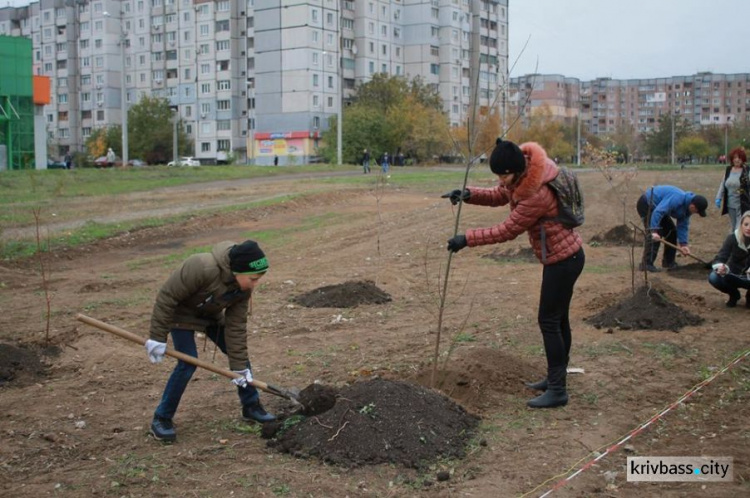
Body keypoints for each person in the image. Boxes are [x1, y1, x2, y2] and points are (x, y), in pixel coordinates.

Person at [442, 139, 585, 409]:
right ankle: (556, 377)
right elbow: (499, 195)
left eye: (504, 175)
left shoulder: (536, 194)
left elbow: (507, 230)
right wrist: (468, 194)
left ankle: (557, 389)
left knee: (549, 321)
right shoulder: (523, 175)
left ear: (517, 170)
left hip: (564, 260)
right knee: (558, 319)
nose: (502, 182)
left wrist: (467, 239)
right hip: (563, 257)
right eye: (498, 176)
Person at [144, 240, 275, 442]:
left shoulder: (243, 288)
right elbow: (167, 297)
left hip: (209, 316)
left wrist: (239, 368)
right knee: (187, 363)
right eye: (253, 279)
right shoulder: (200, 267)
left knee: (238, 354)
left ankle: (251, 406)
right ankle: (161, 418)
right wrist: (157, 337)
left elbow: (236, 327)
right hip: (181, 317)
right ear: (237, 271)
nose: (255, 284)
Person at [636, 185, 708, 272]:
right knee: (655, 235)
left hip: (658, 207)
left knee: (672, 232)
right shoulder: (677, 199)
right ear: (693, 206)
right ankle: (646, 264)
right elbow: (658, 212)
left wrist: (683, 244)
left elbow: (682, 226)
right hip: (647, 203)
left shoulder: (687, 210)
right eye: (697, 212)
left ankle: (669, 262)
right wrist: (653, 230)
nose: (696, 213)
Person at [709, 211, 750, 308]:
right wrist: (720, 267)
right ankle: (734, 295)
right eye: (746, 224)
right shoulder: (732, 238)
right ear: (741, 225)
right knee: (714, 277)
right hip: (732, 274)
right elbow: (720, 258)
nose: (748, 228)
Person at [714, 147, 750, 232]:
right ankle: (734, 242)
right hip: (730, 204)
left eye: (739, 158)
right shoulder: (728, 170)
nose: (737, 160)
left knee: (739, 226)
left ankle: (738, 243)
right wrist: (718, 197)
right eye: (735, 158)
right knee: (733, 226)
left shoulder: (746, 171)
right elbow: (723, 184)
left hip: (743, 203)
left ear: (743, 159)